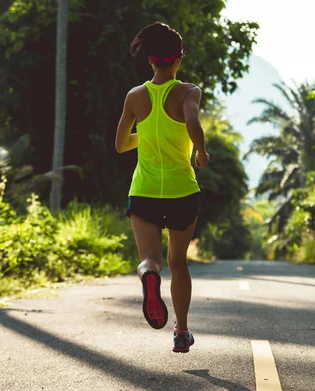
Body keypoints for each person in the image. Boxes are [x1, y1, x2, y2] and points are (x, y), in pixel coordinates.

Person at [115, 21, 210, 353]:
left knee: (150, 260)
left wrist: (149, 132)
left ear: (150, 59)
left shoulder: (135, 96)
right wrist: (200, 151)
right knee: (178, 261)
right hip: (182, 192)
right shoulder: (188, 91)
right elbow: (193, 121)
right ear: (178, 58)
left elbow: (120, 144)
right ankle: (181, 331)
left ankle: (148, 276)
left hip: (143, 192)